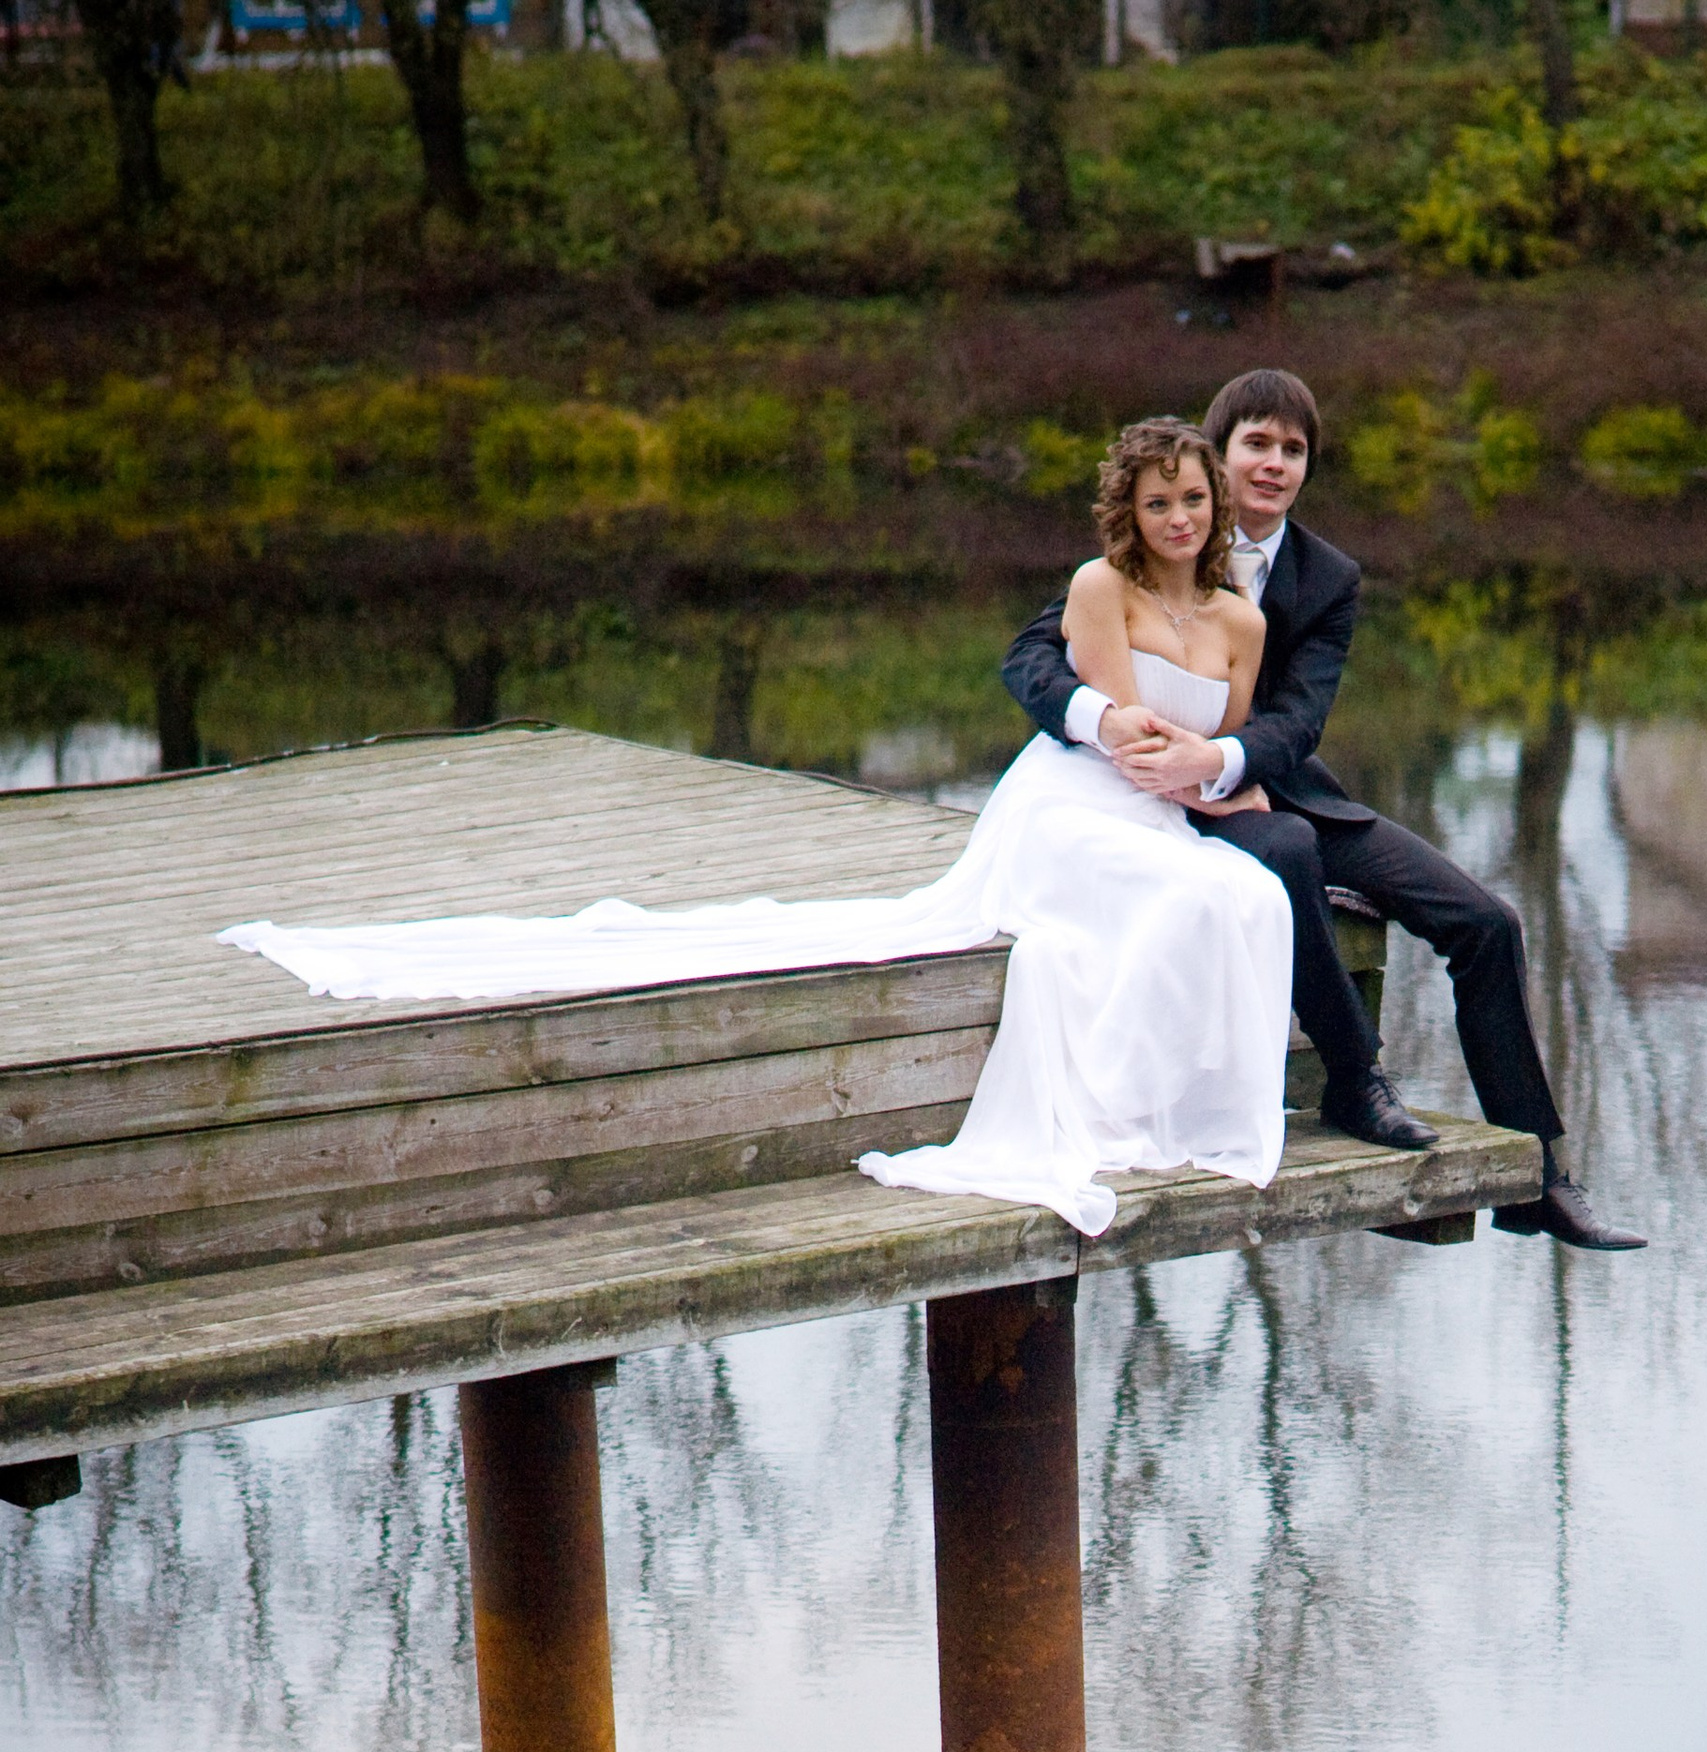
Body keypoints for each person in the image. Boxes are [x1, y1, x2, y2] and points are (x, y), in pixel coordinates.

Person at [216, 420, 1297, 1245]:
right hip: (1077, 803)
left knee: (1248, 894)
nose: (1181, 519)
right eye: (1160, 502)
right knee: (1204, 894)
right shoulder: (1097, 589)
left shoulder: (1244, 620)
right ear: (1130, 510)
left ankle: (1191, 1106)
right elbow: (1128, 730)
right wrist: (1193, 769)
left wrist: (1222, 776)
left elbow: (1229, 734)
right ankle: (1124, 1111)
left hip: (1167, 812)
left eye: (1194, 500)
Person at [1002, 367, 1644, 1255]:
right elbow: (1034, 661)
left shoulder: (1328, 577)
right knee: (1290, 849)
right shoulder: (1157, 537)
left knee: (1487, 922)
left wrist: (1223, 761)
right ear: (1214, 455)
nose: (1273, 465)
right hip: (1141, 795)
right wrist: (1110, 726)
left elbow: (1300, 717)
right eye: (1255, 444)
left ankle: (1540, 1177)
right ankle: (1357, 1080)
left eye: (1293, 449)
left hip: (1274, 784)